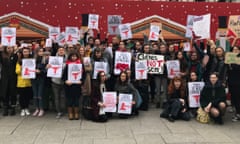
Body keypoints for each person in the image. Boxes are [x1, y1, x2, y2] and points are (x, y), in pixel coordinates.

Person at [62, 52, 85, 120]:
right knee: (69, 100)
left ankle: (76, 113)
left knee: (76, 100)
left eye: (75, 56)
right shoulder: (67, 65)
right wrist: (66, 81)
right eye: (72, 56)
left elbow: (84, 75)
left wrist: (81, 81)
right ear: (70, 57)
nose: (73, 58)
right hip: (69, 86)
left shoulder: (80, 65)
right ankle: (70, 113)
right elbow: (64, 76)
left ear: (77, 57)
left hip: (77, 86)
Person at [48, 47, 67, 119]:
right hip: (55, 81)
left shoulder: (67, 59)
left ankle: (63, 110)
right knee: (56, 97)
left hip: (64, 81)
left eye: (62, 50)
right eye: (60, 50)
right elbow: (48, 70)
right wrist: (48, 67)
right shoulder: (53, 59)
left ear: (64, 51)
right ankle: (58, 111)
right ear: (57, 52)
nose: (61, 51)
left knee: (63, 97)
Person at [0, 46, 18, 116]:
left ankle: (13, 108)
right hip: (5, 77)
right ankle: (5, 108)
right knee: (5, 93)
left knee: (13, 93)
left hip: (13, 77)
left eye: (11, 48)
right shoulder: (2, 56)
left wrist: (16, 51)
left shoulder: (15, 55)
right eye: (8, 48)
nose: (9, 49)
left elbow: (18, 60)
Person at [15, 47, 32, 116]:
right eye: (24, 52)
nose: (26, 53)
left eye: (27, 52)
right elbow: (17, 71)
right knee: (21, 96)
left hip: (29, 82)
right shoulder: (19, 61)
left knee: (27, 96)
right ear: (22, 53)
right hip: (21, 82)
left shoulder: (31, 60)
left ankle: (27, 108)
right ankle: (22, 109)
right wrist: (21, 68)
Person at [31, 47, 47, 117]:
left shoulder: (45, 60)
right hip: (34, 78)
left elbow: (46, 70)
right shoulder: (33, 60)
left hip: (41, 78)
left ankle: (41, 109)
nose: (41, 53)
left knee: (40, 95)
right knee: (35, 95)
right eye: (39, 51)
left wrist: (40, 71)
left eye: (42, 51)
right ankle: (36, 108)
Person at [227, 46, 240, 122]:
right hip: (231, 81)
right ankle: (236, 111)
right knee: (234, 97)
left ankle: (238, 114)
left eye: (237, 49)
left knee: (238, 98)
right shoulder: (229, 59)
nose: (235, 51)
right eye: (233, 49)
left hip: (238, 81)